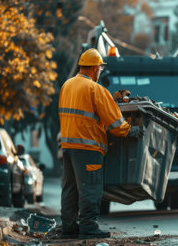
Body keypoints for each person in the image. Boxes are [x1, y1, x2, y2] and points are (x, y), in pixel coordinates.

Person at [58, 48, 144, 239]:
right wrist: (131, 130)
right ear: (96, 68)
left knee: (70, 188)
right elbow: (115, 123)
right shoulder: (95, 89)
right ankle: (88, 226)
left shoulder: (67, 85)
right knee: (90, 187)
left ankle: (69, 227)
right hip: (89, 148)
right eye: (100, 69)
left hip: (69, 147)